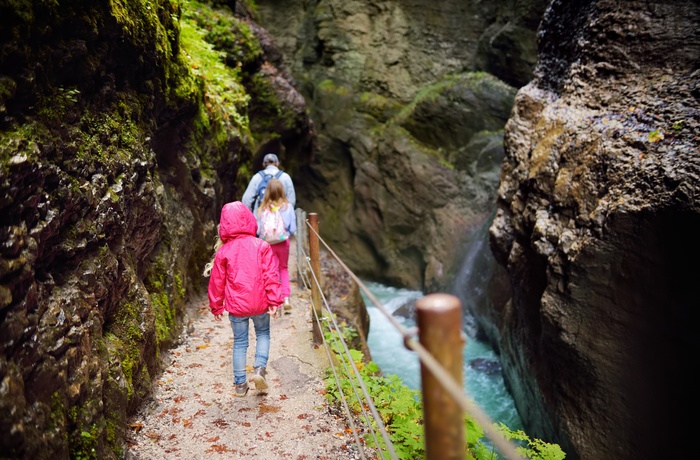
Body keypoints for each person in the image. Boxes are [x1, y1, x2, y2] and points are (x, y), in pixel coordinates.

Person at [204, 201, 283, 397]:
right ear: (249, 220)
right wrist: (274, 300)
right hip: (260, 303)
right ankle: (259, 370)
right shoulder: (262, 246)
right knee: (263, 333)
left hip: (236, 306)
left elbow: (216, 282)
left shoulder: (224, 251)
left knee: (240, 342)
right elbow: (271, 275)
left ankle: (240, 385)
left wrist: (216, 306)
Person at [256, 178, 296, 312]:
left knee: (272, 271)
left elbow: (258, 229)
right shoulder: (288, 207)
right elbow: (292, 228)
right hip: (283, 241)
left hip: (268, 244)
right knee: (283, 268)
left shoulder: (262, 209)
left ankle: (275, 301)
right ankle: (286, 299)